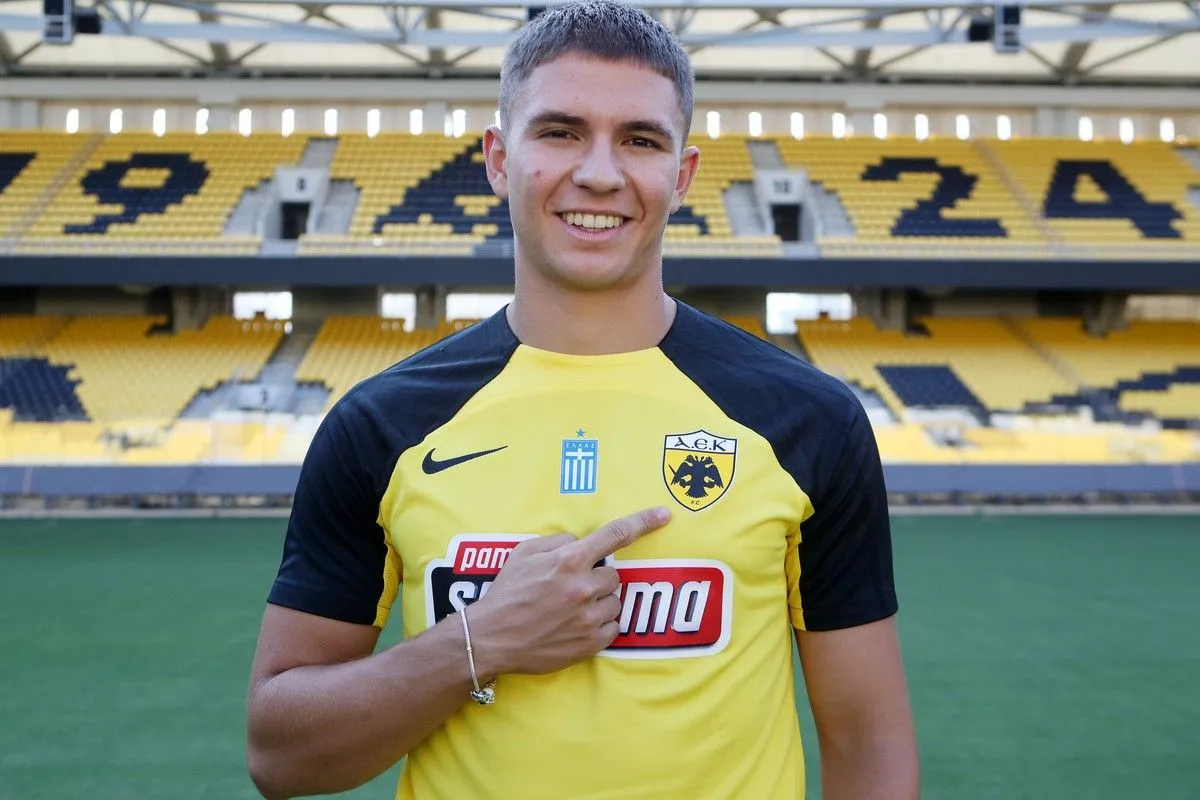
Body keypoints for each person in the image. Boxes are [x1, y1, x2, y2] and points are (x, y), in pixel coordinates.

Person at [245, 1, 919, 798]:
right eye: (561, 132)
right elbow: (281, 757)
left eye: (640, 140)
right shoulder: (381, 425)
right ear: (499, 159)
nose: (600, 173)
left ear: (682, 176)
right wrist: (476, 642)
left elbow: (868, 742)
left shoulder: (808, 420)